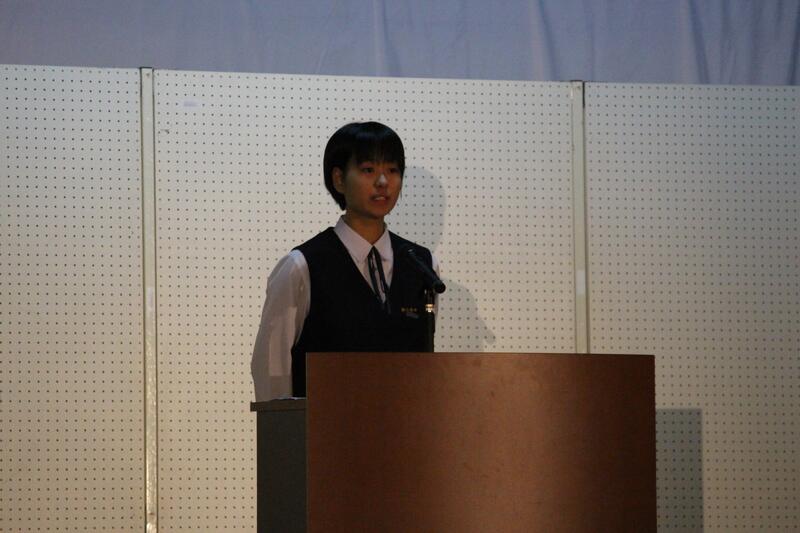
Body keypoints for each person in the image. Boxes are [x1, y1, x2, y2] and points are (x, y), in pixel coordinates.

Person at [251, 121, 439, 401]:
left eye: (392, 170)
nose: (383, 182)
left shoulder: (423, 265)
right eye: (368, 170)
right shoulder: (302, 265)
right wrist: (284, 426)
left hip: (404, 425)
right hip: (324, 426)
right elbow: (271, 369)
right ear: (339, 179)